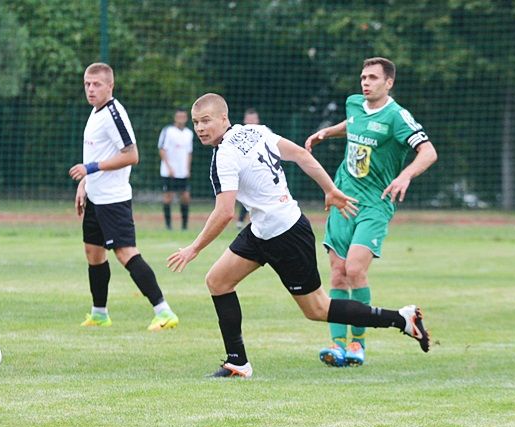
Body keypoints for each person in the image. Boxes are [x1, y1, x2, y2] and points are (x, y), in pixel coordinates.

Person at [167, 93, 430, 378]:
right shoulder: (255, 131)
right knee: (217, 281)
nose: (201, 128)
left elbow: (225, 212)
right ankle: (237, 363)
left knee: (318, 309)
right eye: (196, 123)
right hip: (262, 229)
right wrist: (329, 189)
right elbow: (302, 155)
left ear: (223, 118)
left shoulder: (225, 156)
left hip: (286, 234)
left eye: (206, 121)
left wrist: (193, 248)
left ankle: (401, 319)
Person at [305, 57, 437, 367]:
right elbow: (351, 126)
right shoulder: (354, 104)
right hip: (342, 200)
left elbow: (428, 151)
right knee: (337, 273)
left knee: (354, 270)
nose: (366, 82)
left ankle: (357, 344)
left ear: (388, 83)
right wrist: (327, 132)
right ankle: (336, 346)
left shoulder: (397, 117)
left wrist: (405, 175)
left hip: (375, 204)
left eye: (373, 78)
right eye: (363, 77)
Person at [69, 62, 178, 331]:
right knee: (93, 253)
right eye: (87, 84)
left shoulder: (113, 114)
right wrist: (84, 183)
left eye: (96, 84)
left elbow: (132, 155)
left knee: (125, 253)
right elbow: (95, 154)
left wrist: (90, 169)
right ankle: (99, 313)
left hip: (113, 200)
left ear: (110, 86)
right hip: (95, 198)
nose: (91, 89)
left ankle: (164, 312)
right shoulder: (96, 112)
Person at [158, 107, 193, 230]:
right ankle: (168, 226)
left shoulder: (189, 133)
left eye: (183, 117)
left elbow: (189, 152)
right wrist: (169, 167)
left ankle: (184, 227)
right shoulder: (168, 131)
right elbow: (162, 149)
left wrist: (188, 169)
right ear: (175, 117)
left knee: (185, 197)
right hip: (169, 172)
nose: (181, 119)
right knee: (168, 197)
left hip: (182, 172)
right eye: (179, 116)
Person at [236, 107, 261, 229]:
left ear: (258, 121)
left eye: (253, 120)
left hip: (261, 173)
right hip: (246, 171)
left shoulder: (265, 133)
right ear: (244, 121)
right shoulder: (238, 137)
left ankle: (256, 222)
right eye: (249, 120)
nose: (251, 123)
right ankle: (240, 221)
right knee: (246, 197)